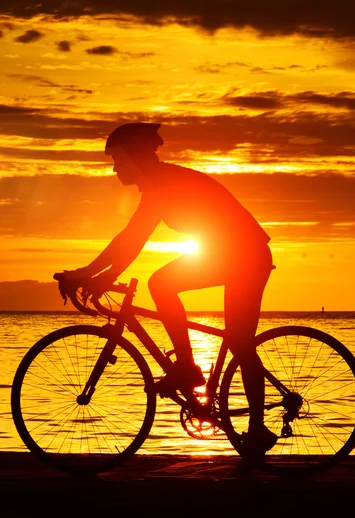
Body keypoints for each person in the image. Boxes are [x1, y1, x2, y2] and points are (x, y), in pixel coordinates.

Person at [64, 122, 276, 458]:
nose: (115, 168)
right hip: (227, 254)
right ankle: (188, 370)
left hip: (246, 256)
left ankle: (242, 416)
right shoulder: (157, 186)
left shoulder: (165, 184)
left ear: (135, 158)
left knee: (237, 340)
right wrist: (89, 274)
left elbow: (131, 241)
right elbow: (130, 240)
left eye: (118, 160)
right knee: (166, 287)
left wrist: (96, 275)